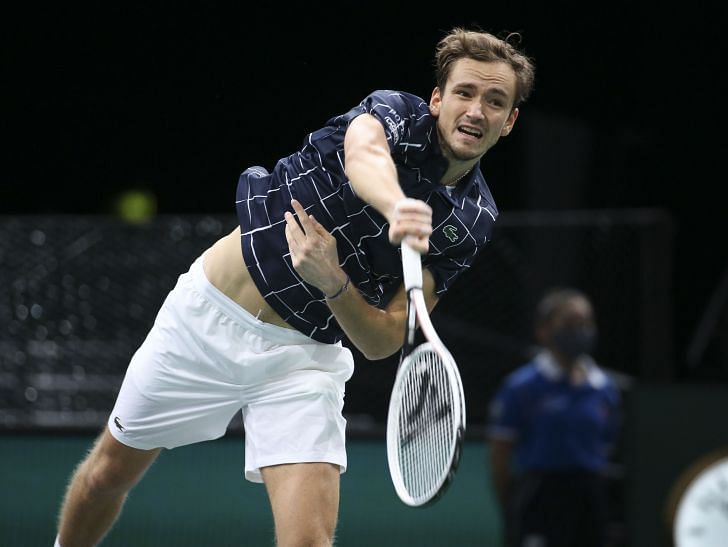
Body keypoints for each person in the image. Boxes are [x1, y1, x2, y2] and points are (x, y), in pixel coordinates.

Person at [54, 27, 535, 547]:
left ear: (508, 121)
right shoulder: (394, 114)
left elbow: (382, 340)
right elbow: (364, 156)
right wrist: (397, 207)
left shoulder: (472, 221)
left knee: (308, 541)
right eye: (464, 93)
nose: (475, 110)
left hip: (302, 361)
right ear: (438, 98)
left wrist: (335, 285)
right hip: (208, 318)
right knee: (107, 474)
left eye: (494, 101)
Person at [487, 288, 620, 547]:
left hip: (589, 498)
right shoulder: (521, 387)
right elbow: (500, 458)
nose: (579, 331)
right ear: (544, 330)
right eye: (570, 324)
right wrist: (514, 506)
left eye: (585, 323)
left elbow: (607, 445)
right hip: (539, 498)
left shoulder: (605, 388)